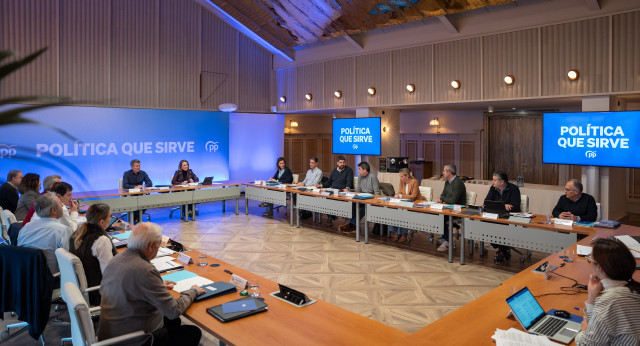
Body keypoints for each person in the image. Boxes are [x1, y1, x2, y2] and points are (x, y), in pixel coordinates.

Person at [98, 222, 205, 346]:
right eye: (159, 246)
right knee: (192, 332)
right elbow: (173, 310)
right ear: (151, 246)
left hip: (112, 333)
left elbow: (132, 285)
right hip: (135, 340)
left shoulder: (117, 259)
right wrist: (193, 292)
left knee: (173, 322)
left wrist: (157, 285)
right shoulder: (145, 270)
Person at [575, 238, 640, 345]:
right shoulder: (633, 289)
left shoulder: (610, 302)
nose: (589, 261)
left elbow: (586, 344)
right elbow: (599, 324)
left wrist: (583, 331)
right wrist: (592, 296)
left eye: (590, 259)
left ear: (600, 267)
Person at [69, 203, 117, 306]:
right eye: (110, 216)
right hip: (97, 294)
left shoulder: (77, 234)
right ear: (101, 222)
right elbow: (109, 275)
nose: (111, 218)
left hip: (79, 290)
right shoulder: (102, 241)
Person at [17, 192, 72, 274]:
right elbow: (68, 261)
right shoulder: (63, 231)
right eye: (61, 204)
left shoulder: (26, 227)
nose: (63, 207)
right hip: (51, 279)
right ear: (53, 210)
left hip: (24, 275)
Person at [484, 171, 521, 260]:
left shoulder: (514, 189)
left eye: (494, 180)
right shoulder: (493, 188)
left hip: (508, 217)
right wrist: (503, 205)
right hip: (496, 216)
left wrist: (500, 206)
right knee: (484, 221)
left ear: (502, 182)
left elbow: (515, 207)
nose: (493, 182)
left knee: (500, 225)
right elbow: (486, 203)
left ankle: (502, 250)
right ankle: (501, 248)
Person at [338, 162, 381, 234]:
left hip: (371, 200)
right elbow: (358, 191)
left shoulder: (373, 177)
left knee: (363, 209)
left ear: (365, 170)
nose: (358, 171)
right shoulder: (360, 177)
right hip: (361, 198)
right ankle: (353, 224)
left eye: (359, 169)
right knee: (351, 204)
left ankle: (352, 225)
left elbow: (377, 193)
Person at [388, 168, 424, 242]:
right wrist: (397, 195)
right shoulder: (402, 182)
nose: (400, 178)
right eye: (400, 177)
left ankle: (404, 233)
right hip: (404, 201)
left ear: (407, 176)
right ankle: (396, 232)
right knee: (393, 210)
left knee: (403, 212)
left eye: (402, 176)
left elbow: (413, 196)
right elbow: (400, 192)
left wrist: (401, 196)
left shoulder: (415, 182)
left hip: (415, 202)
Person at [316, 156, 354, 226]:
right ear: (337, 163)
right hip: (332, 189)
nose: (342, 164)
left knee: (334, 199)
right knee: (323, 198)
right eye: (340, 162)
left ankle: (334, 217)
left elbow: (349, 182)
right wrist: (321, 186)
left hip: (341, 191)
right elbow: (329, 182)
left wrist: (347, 188)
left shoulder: (349, 170)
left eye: (343, 162)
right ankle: (331, 216)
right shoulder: (334, 171)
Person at [436, 164, 466, 252]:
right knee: (438, 215)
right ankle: (445, 238)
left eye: (444, 171)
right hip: (448, 208)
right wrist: (442, 198)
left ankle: (447, 242)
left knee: (443, 217)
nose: (442, 172)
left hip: (458, 211)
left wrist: (442, 199)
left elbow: (453, 200)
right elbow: (443, 194)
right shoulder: (447, 182)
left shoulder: (458, 183)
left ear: (449, 173)